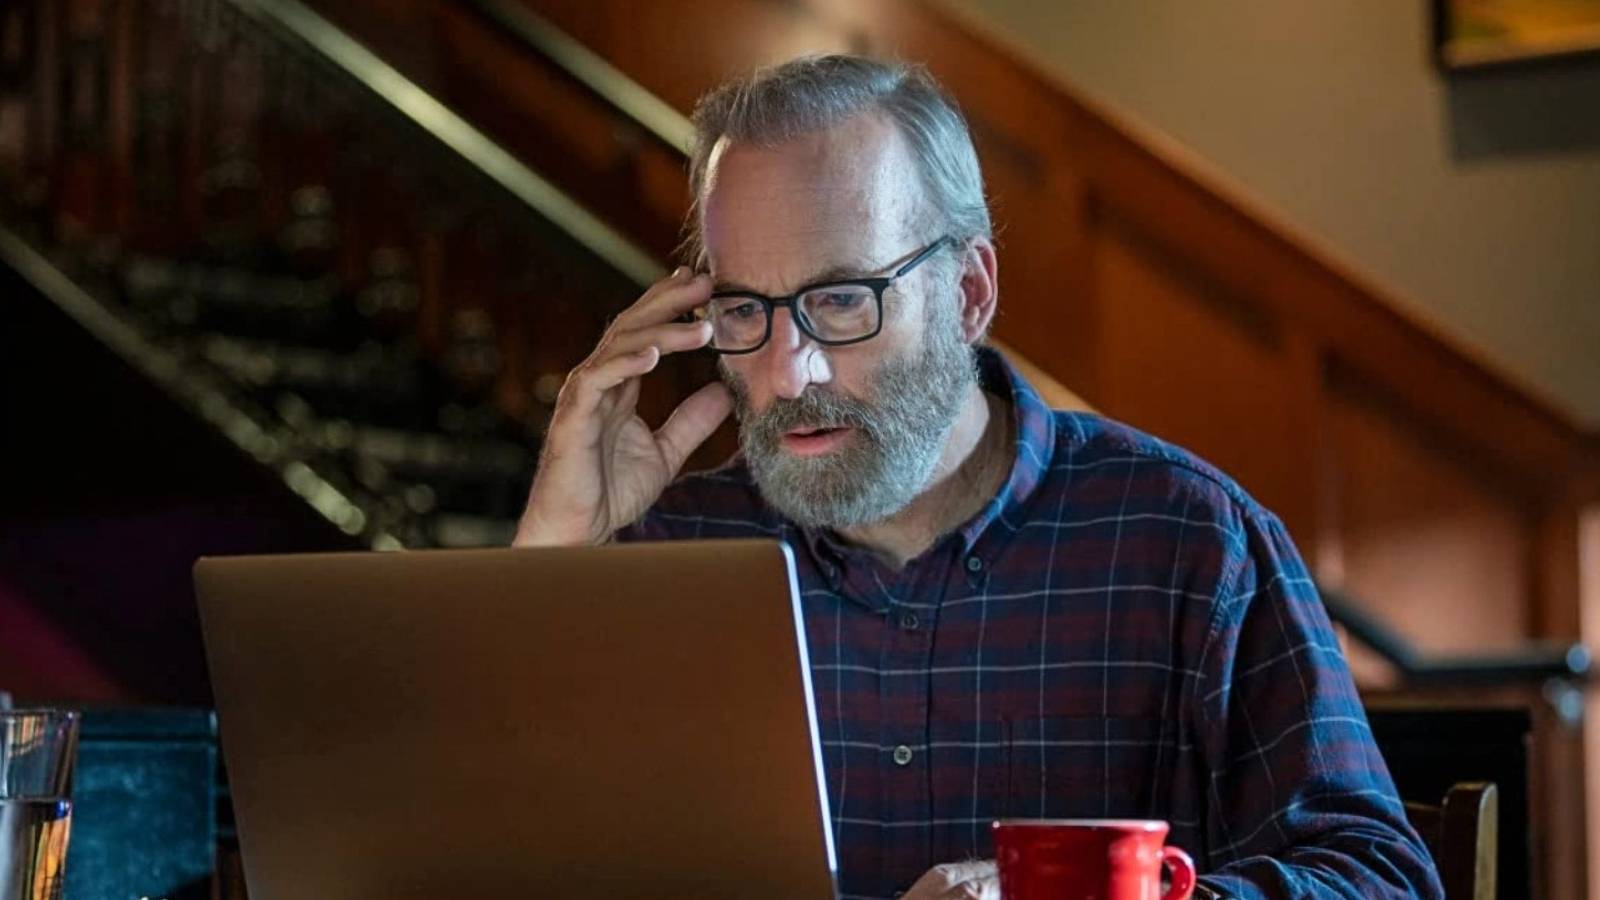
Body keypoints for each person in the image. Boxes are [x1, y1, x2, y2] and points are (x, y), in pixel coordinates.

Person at [513, 54, 1442, 900]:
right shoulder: (666, 554)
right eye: (745, 309)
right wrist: (555, 562)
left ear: (968, 295)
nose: (789, 373)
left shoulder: (1187, 540)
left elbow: (1381, 880)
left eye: (842, 300)